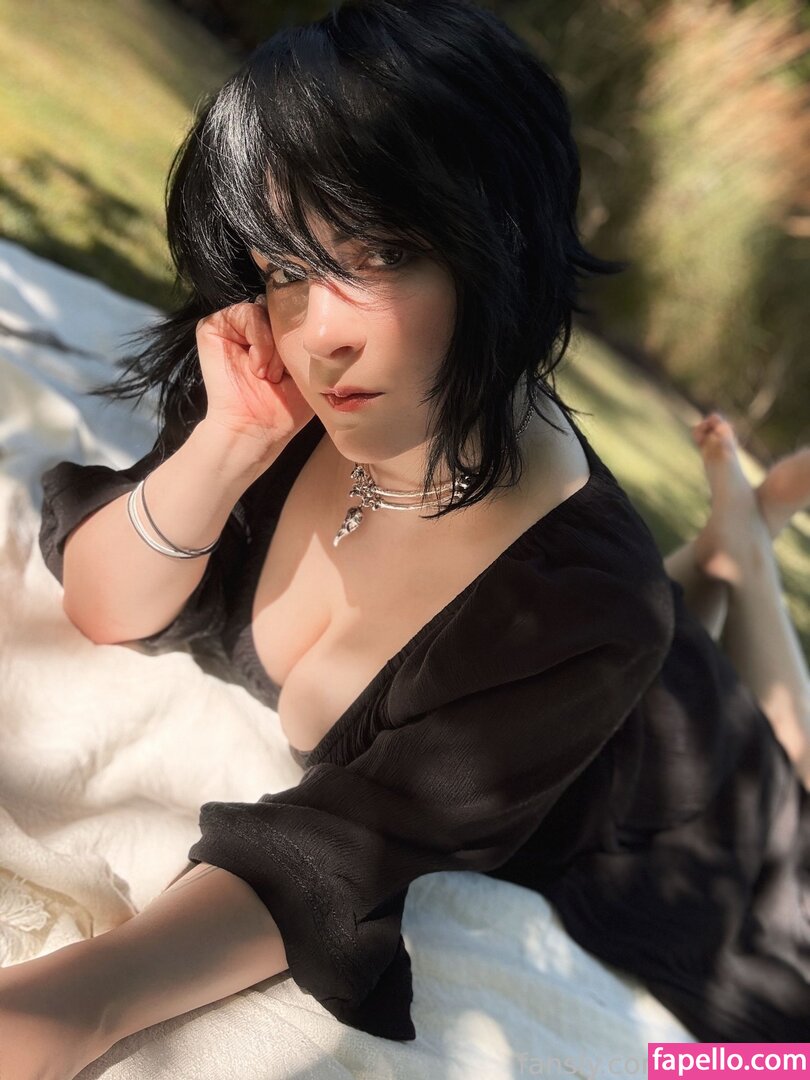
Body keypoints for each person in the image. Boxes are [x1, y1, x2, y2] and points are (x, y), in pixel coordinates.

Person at [1, 0, 809, 1073]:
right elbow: (107, 602)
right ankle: (724, 555)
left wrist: (82, 1005)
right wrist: (226, 446)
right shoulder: (280, 387)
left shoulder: (580, 604)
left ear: (500, 244)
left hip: (691, 822)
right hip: (622, 669)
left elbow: (337, 854)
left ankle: (738, 555)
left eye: (380, 252)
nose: (319, 331)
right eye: (286, 265)